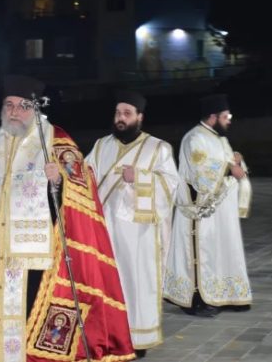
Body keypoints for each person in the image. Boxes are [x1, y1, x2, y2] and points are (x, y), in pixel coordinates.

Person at [0, 75, 135, 362]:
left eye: (22, 106)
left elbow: (82, 188)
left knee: (28, 316)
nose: (14, 112)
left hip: (35, 254)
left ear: (36, 108)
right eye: (9, 105)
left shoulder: (56, 139)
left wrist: (59, 181)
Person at [85, 90, 180, 358]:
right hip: (104, 230)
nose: (121, 118)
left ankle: (137, 338)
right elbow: (84, 176)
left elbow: (172, 186)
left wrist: (139, 178)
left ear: (140, 117)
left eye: (127, 113)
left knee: (136, 282)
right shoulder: (101, 146)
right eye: (118, 113)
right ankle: (108, 335)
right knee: (107, 282)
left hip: (139, 234)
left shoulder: (158, 148)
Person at [163, 93, 253, 317]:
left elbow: (226, 161)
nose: (229, 120)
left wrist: (235, 160)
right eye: (226, 116)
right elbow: (200, 171)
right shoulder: (194, 138)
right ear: (213, 117)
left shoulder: (220, 138)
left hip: (221, 210)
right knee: (202, 253)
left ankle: (227, 294)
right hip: (199, 209)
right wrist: (228, 168)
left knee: (223, 249)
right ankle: (195, 300)